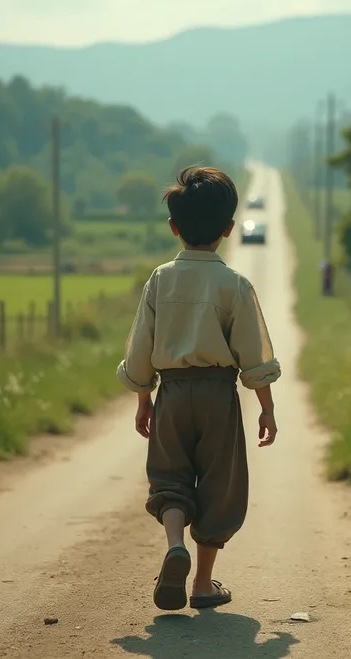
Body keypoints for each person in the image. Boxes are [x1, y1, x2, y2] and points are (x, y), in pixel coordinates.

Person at [117, 166, 281, 612]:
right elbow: (254, 354)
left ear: (174, 228)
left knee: (169, 475)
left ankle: (175, 546)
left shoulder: (159, 280)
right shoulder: (235, 285)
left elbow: (141, 348)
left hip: (171, 392)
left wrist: (143, 398)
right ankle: (203, 585)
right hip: (217, 395)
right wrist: (266, 407)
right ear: (229, 229)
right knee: (218, 484)